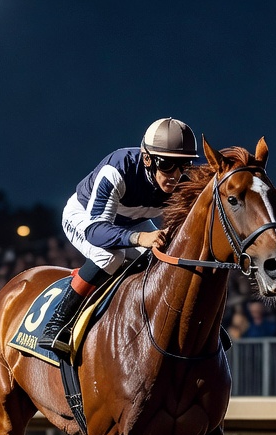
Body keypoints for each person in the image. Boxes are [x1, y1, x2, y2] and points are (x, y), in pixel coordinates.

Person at [38, 117, 199, 353]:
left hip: (133, 222)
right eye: (166, 164)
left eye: (183, 165)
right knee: (110, 257)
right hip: (85, 217)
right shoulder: (117, 168)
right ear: (147, 158)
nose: (175, 175)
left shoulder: (183, 182)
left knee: (167, 258)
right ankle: (57, 322)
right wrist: (139, 238)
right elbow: (95, 231)